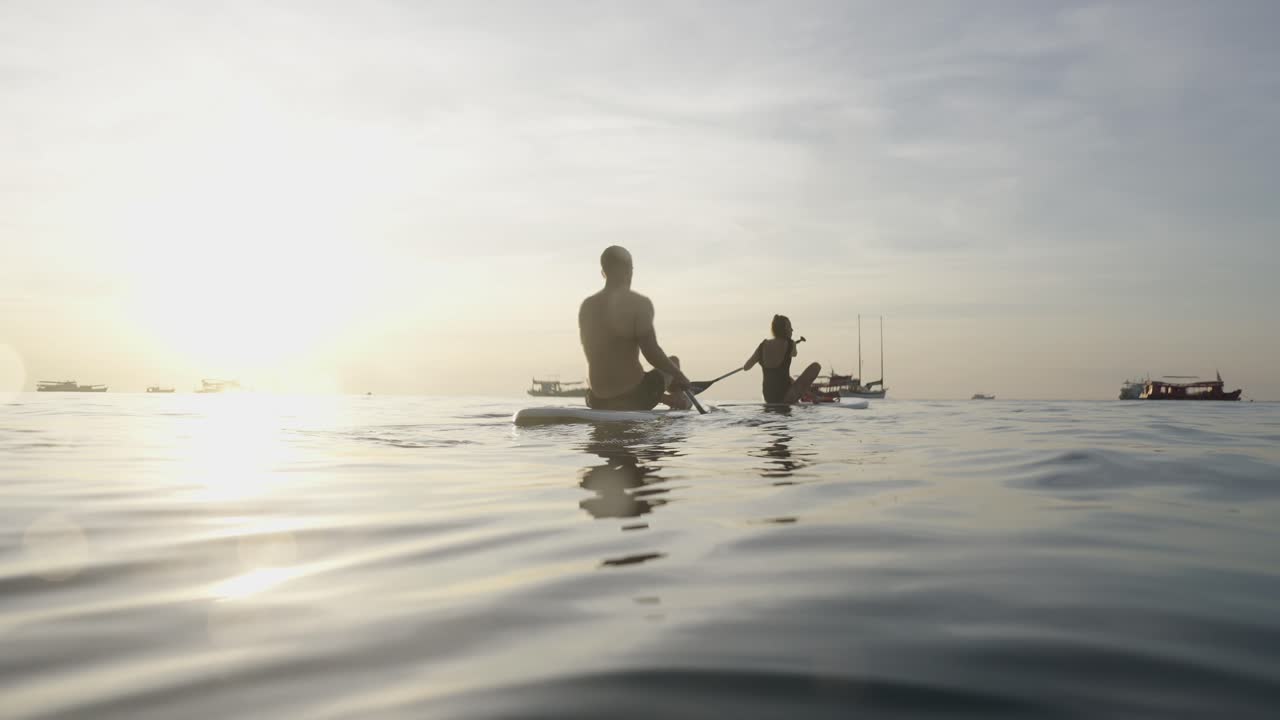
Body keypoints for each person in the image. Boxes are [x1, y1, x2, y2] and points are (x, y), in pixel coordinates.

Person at [579, 246, 692, 410]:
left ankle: (668, 400)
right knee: (673, 362)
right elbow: (651, 352)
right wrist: (680, 376)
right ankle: (681, 403)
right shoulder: (639, 304)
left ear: (603, 272)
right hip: (635, 397)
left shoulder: (587, 306)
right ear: (627, 271)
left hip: (596, 399)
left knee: (627, 379)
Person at [742, 314, 821, 404]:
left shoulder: (762, 345)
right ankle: (808, 395)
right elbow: (794, 354)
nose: (792, 330)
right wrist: (792, 344)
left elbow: (746, 367)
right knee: (816, 366)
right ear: (784, 329)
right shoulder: (790, 344)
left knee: (785, 377)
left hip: (768, 397)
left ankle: (807, 394)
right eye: (790, 327)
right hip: (786, 397)